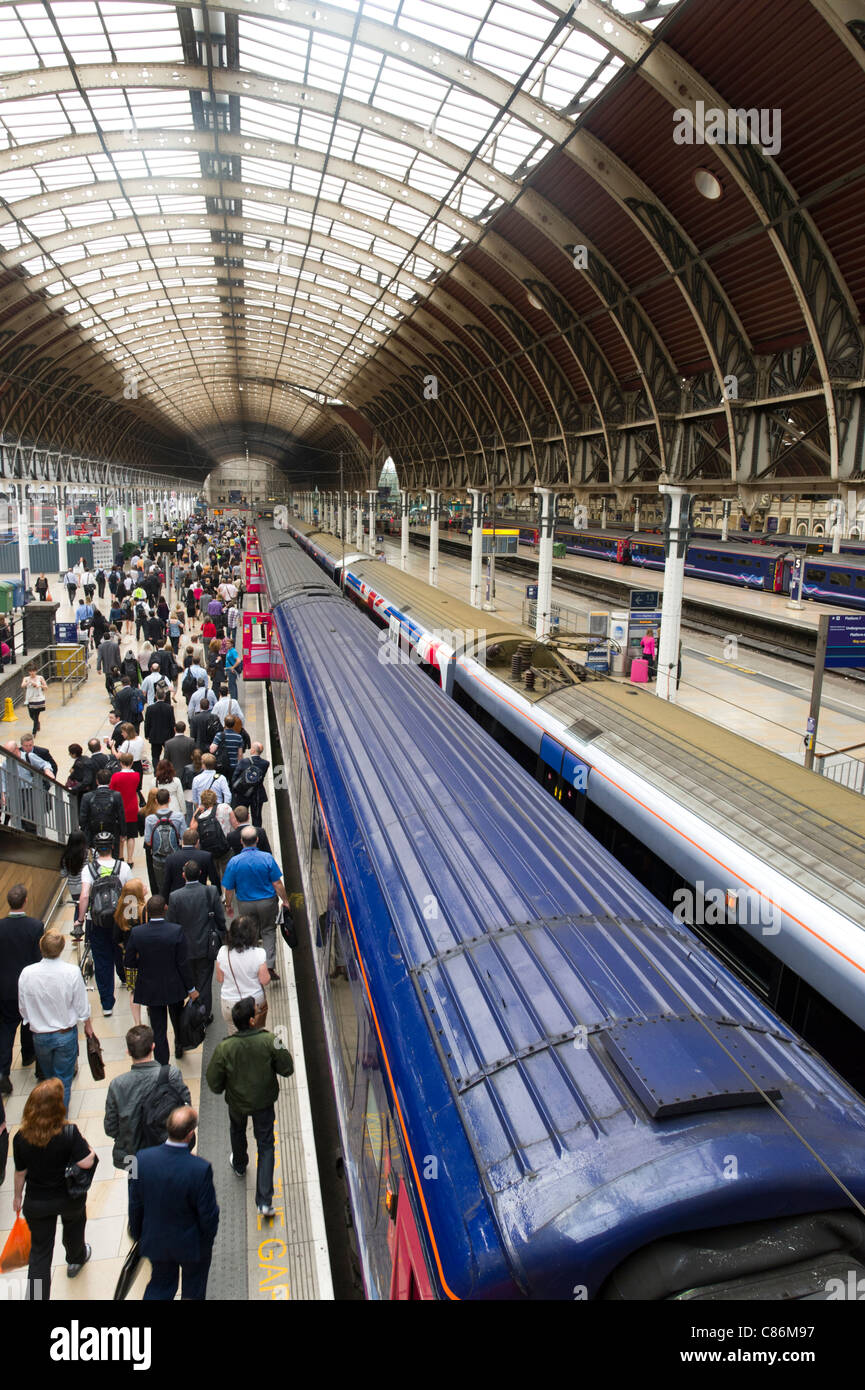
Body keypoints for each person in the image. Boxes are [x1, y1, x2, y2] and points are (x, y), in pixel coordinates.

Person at [206, 995, 293, 1218]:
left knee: (236, 1130)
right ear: (253, 1021)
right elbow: (287, 1068)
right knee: (265, 1145)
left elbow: (214, 1084)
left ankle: (240, 1163)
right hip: (264, 1103)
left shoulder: (224, 1048)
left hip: (236, 1103)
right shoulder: (271, 1040)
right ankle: (264, 1201)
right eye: (257, 1010)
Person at [12, 1078, 96, 1299]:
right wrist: (88, 1147)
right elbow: (87, 1162)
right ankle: (75, 1258)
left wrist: (17, 1197)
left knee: (39, 1253)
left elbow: (20, 1172)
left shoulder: (21, 1137)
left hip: (37, 1202)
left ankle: (37, 1297)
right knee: (74, 1227)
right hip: (69, 1197)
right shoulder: (69, 1133)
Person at [128, 1105, 219, 1301]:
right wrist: (207, 1241)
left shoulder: (140, 1160)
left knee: (160, 1286)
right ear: (190, 1134)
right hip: (191, 1245)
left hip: (156, 1240)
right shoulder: (200, 1169)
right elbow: (208, 1215)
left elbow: (135, 1203)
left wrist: (139, 1234)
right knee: (193, 1289)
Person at [18, 930, 95, 1108]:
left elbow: (23, 1004)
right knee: (63, 1082)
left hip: (40, 1036)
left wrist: (31, 1020)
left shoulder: (27, 973)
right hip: (65, 1035)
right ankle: (60, 1122)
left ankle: (50, 1115)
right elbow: (81, 1005)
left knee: (50, 1078)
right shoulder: (71, 972)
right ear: (61, 948)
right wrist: (87, 1025)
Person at [104, 1024, 190, 1171]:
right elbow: (187, 1113)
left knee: (137, 1190)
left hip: (133, 1158)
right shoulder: (171, 1075)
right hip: (166, 1152)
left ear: (128, 1052)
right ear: (153, 1047)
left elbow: (110, 1128)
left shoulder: (117, 1085)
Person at [125, 895, 199, 1063]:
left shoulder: (137, 933)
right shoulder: (176, 930)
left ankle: (163, 1063)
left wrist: (143, 963)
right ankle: (179, 1045)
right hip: (174, 985)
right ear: (165, 909)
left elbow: (128, 961)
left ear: (147, 912)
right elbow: (183, 963)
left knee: (158, 1029)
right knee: (177, 1018)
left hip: (151, 988)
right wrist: (191, 988)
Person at [222, 827, 290, 981]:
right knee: (268, 931)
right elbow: (277, 883)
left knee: (249, 933)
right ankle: (269, 966)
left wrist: (228, 905)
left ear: (241, 842)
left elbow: (229, 888)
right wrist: (285, 901)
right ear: (257, 840)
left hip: (245, 903)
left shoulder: (234, 862)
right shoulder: (267, 858)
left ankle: (253, 967)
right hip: (267, 903)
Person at [76, 833, 132, 1017]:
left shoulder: (89, 870)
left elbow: (84, 896)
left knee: (102, 961)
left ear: (95, 849)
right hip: (119, 920)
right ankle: (124, 977)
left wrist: (80, 920)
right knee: (120, 950)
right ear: (113, 847)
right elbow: (130, 894)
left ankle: (107, 1004)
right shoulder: (122, 867)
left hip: (96, 922)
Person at [167, 859, 225, 1022]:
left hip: (184, 948)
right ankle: (203, 1015)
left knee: (191, 980)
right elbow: (220, 918)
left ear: (183, 875)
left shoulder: (175, 897)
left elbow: (172, 924)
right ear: (200, 874)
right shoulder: (211, 891)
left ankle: (194, 1010)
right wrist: (223, 935)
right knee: (205, 981)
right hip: (207, 946)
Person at [0, 884, 44, 1096]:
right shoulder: (36, 926)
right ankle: (29, 1055)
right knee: (30, 1022)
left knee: (7, 1029)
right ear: (25, 901)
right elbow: (39, 958)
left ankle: (3, 1071)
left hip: (5, 988)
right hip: (28, 987)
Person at [215, 915, 269, 1034]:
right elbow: (265, 980)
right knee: (255, 1033)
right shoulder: (259, 954)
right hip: (254, 1002)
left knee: (235, 1035)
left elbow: (219, 978)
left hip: (230, 1003)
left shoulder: (223, 952)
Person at [114, 878, 148, 1023]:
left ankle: (137, 1022)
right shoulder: (144, 911)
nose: (145, 886)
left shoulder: (120, 913)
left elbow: (117, 939)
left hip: (129, 959)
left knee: (134, 991)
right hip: (146, 957)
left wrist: (127, 950)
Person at [144, 787, 185, 895]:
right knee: (176, 884)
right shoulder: (178, 816)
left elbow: (148, 841)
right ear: (169, 800)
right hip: (175, 856)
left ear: (156, 801)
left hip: (158, 858)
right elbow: (184, 837)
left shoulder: (150, 819)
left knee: (161, 886)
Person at [78, 768, 126, 855]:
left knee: (94, 855)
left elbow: (82, 818)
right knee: (113, 854)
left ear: (97, 781)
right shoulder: (116, 795)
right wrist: (123, 833)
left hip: (93, 830)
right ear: (110, 781)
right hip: (112, 829)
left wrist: (85, 830)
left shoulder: (87, 796)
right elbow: (121, 815)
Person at [161, 827, 218, 897]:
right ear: (198, 841)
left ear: (182, 841)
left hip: (178, 898)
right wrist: (218, 895)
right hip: (200, 897)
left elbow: (167, 882)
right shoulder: (206, 856)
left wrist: (165, 901)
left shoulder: (170, 858)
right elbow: (214, 879)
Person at [110, 751, 141, 867]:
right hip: (132, 806)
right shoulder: (136, 775)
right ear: (132, 762)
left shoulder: (116, 776)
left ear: (120, 762)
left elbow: (112, 790)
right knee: (131, 835)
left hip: (119, 807)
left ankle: (120, 857)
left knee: (120, 835)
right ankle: (130, 859)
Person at [231, 743, 269, 827]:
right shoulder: (265, 764)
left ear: (252, 750)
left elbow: (234, 777)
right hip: (257, 794)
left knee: (241, 816)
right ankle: (256, 832)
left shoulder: (243, 762)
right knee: (257, 817)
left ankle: (244, 832)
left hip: (243, 794)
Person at [59, 829, 89, 931]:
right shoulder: (88, 854)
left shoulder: (66, 857)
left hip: (74, 890)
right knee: (88, 911)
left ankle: (77, 932)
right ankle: (88, 937)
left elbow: (63, 874)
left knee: (78, 908)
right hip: (86, 887)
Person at [144, 691, 176, 769]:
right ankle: (167, 770)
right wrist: (172, 735)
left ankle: (156, 772)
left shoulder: (150, 708)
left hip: (154, 735)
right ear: (164, 697)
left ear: (156, 696)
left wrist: (147, 735)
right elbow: (172, 723)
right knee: (168, 755)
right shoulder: (169, 708)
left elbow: (147, 723)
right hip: (167, 736)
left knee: (155, 756)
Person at [211, 713, 244, 778]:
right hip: (233, 766)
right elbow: (240, 755)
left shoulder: (219, 735)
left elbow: (212, 750)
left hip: (221, 765)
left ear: (224, 723)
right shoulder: (239, 737)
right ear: (234, 724)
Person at [21, 664, 47, 735]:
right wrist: (28, 682)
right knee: (31, 715)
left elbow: (46, 687)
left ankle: (34, 732)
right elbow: (22, 685)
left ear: (36, 671)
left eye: (33, 671)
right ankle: (37, 723)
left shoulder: (40, 678)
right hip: (30, 699)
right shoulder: (26, 678)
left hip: (38, 698)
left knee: (36, 715)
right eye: (30, 671)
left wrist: (39, 686)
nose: (32, 673)